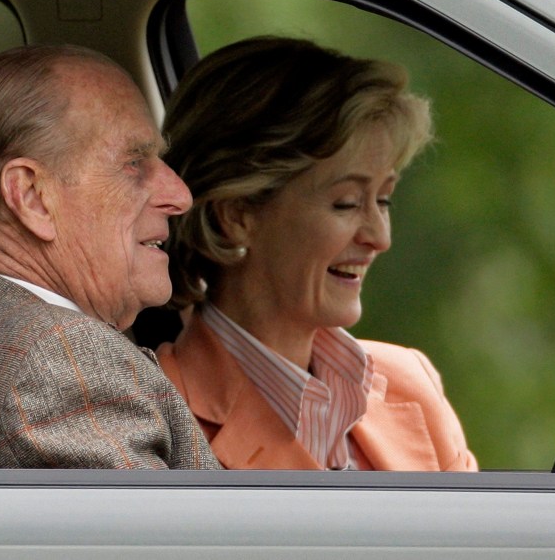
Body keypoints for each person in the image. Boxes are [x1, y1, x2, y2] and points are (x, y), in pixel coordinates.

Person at [157, 36, 477, 471]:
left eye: (383, 200)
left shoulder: (411, 385)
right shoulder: (158, 412)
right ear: (236, 214)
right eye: (346, 202)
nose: (379, 237)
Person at [0, 44, 220, 470]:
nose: (180, 196)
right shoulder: (65, 363)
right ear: (32, 197)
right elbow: (176, 539)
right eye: (133, 162)